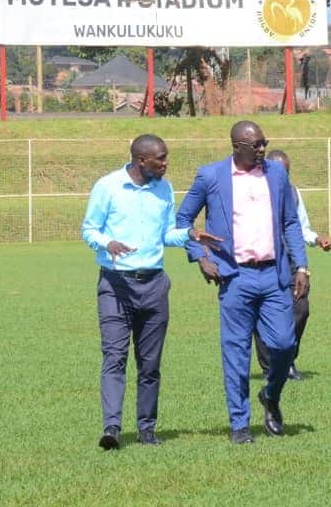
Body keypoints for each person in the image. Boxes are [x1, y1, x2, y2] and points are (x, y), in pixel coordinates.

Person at [81, 134, 219, 450]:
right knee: (114, 357)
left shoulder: (164, 189)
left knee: (150, 363)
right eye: (161, 158)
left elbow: (166, 234)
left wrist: (190, 234)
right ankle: (112, 429)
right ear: (142, 160)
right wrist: (107, 243)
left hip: (154, 285)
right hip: (115, 285)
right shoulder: (108, 187)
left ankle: (147, 429)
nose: (166, 163)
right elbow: (89, 229)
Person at [176, 121, 309, 444]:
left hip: (274, 275)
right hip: (234, 276)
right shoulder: (210, 176)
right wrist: (201, 256)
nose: (262, 149)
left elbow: (290, 222)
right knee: (236, 352)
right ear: (236, 146)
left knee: (284, 344)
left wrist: (302, 266)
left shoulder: (277, 175)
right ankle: (239, 424)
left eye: (265, 143)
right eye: (256, 145)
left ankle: (271, 394)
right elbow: (182, 220)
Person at [255, 149, 331, 381]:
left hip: (289, 261)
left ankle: (287, 360)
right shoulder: (252, 190)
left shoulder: (292, 191)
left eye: (286, 172)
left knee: (301, 309)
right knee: (262, 314)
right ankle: (270, 367)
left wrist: (317, 239)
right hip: (261, 262)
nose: (283, 176)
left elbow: (301, 227)